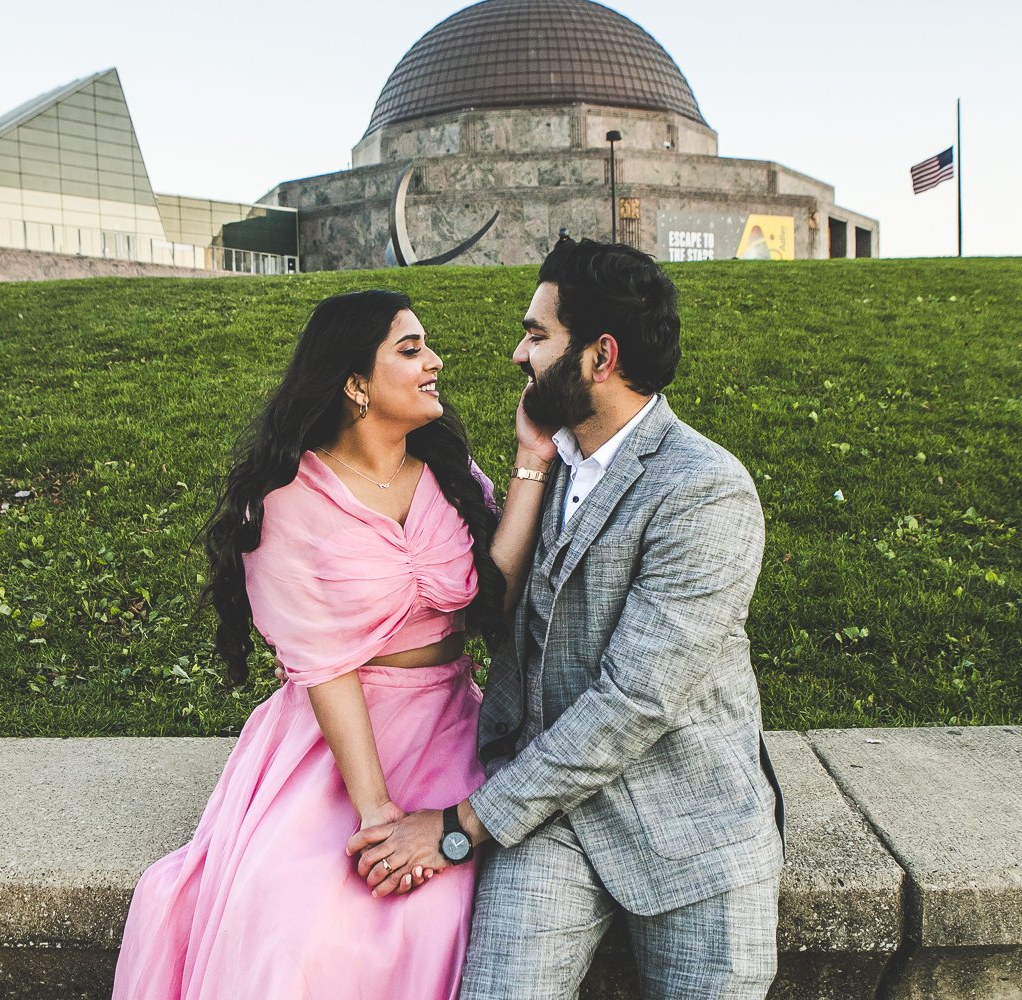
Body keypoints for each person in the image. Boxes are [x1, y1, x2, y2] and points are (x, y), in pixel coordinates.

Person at [349, 240, 786, 999]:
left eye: (538, 334)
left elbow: (635, 702)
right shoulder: (544, 464)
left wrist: (458, 825)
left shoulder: (705, 490)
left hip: (689, 827)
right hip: (548, 820)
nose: (519, 354)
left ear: (600, 356)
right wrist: (527, 464)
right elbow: (495, 611)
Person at [110, 289, 554, 1000]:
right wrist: (376, 813)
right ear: (354, 382)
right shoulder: (289, 501)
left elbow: (492, 598)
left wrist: (531, 458)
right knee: (304, 924)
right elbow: (326, 669)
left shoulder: (446, 473)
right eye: (410, 351)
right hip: (337, 739)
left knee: (441, 908)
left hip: (451, 724)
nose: (435, 362)